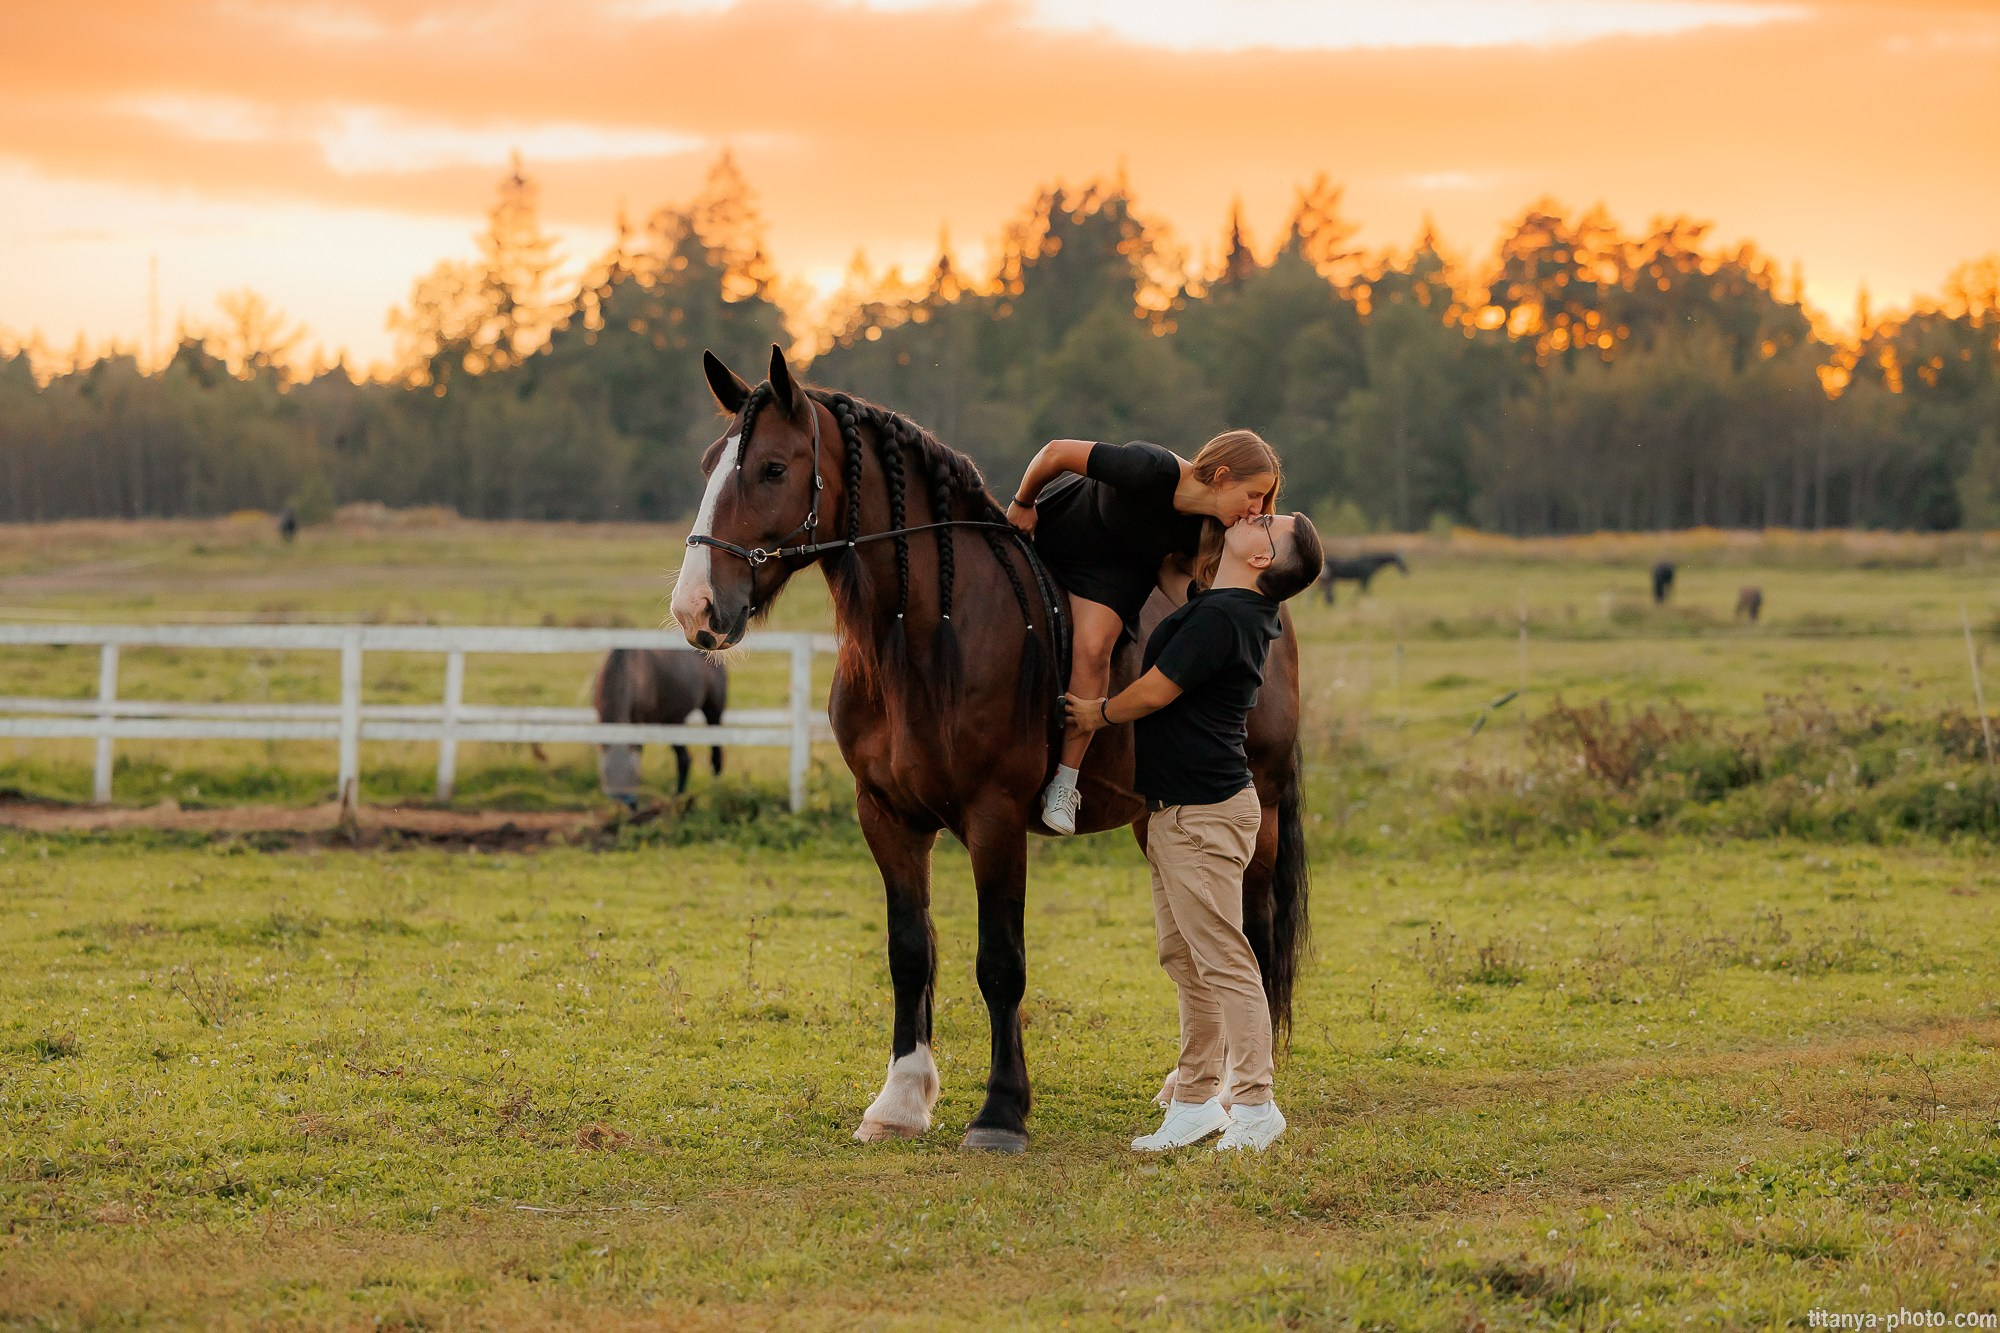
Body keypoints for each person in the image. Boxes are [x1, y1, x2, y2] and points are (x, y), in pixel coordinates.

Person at [1066, 508, 1325, 1152]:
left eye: (1268, 524)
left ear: (1263, 558)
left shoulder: (1224, 618)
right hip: (1177, 811)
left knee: (1223, 957)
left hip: (1202, 815)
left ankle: (1256, 1104)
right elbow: (1180, 594)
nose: (1254, 518)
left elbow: (1153, 692)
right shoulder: (1225, 607)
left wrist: (1095, 713)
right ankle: (1194, 1097)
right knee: (1184, 955)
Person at [1007, 431, 1280, 835]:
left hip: (1113, 575)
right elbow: (1056, 453)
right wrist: (1023, 502)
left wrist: (1200, 608)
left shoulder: (1210, 529)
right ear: (1222, 476)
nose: (1255, 509)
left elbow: (1169, 570)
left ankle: (1065, 782)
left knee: (1095, 648)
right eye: (1253, 495)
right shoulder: (1150, 468)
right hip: (1063, 524)